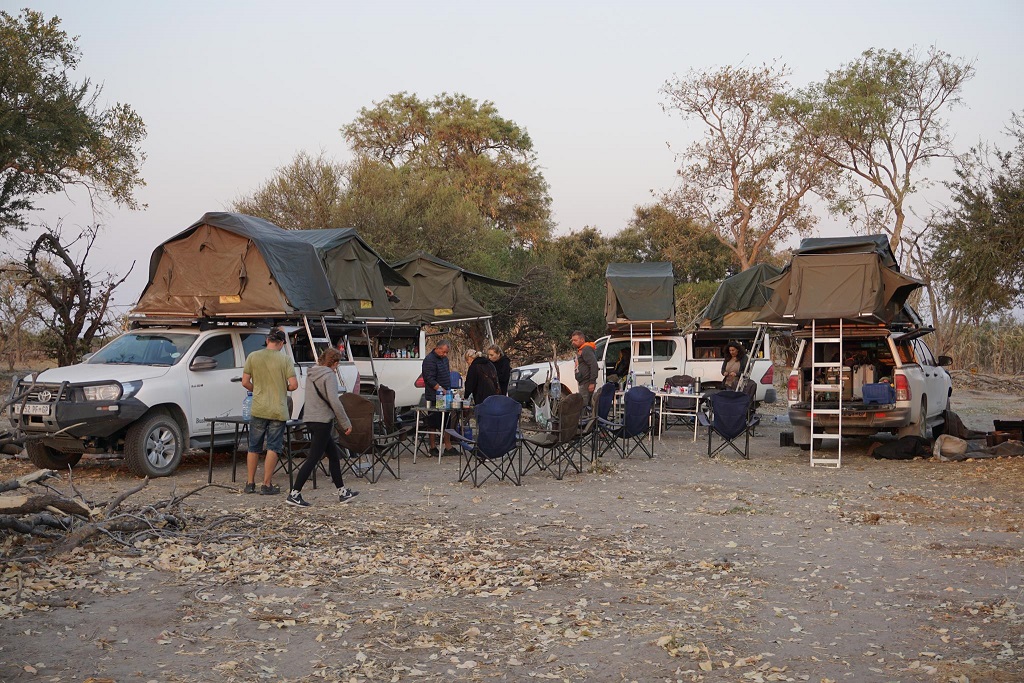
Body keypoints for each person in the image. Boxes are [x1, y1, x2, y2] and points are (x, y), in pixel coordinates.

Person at [286, 348, 359, 508]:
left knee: (333, 455)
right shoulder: (329, 376)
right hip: (322, 421)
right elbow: (334, 400)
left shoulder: (311, 374)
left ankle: (342, 492)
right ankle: (294, 493)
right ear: (335, 363)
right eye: (337, 364)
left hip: (311, 419)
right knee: (313, 458)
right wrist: (345, 422)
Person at [242, 328, 298, 495]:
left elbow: (245, 382)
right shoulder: (285, 359)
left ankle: (250, 483)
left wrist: (258, 388)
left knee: (253, 446)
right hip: (277, 409)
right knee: (273, 446)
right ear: (281, 343)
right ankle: (266, 484)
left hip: (258, 407)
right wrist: (282, 387)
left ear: (267, 340)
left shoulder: (253, 356)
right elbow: (293, 385)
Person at [421, 338, 453, 452]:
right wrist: (440, 389)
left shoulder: (444, 359)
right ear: (437, 348)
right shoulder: (429, 360)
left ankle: (448, 446)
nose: (444, 354)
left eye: (446, 352)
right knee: (434, 421)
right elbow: (429, 379)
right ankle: (433, 447)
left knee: (447, 420)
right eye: (443, 352)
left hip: (446, 394)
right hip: (434, 395)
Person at [571, 330, 599, 410]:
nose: (573, 342)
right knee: (585, 405)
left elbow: (594, 365)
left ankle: (585, 421)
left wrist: (592, 382)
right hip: (583, 382)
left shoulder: (586, 349)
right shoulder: (581, 349)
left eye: (575, 340)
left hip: (586, 383)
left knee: (584, 406)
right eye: (572, 340)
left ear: (582, 340)